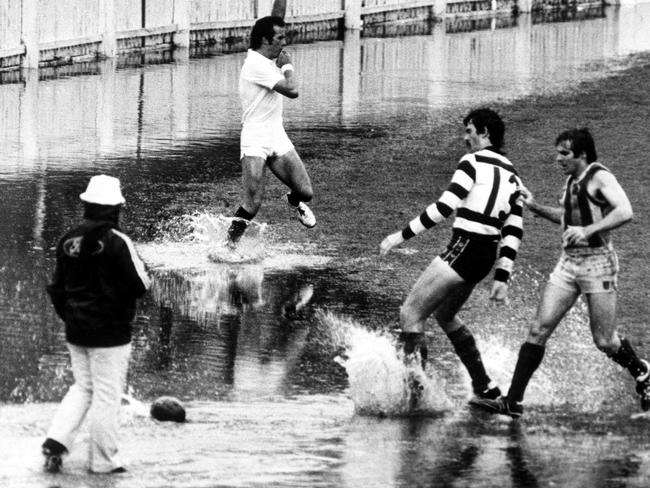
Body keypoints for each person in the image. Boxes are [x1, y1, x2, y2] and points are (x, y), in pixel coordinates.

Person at [471, 128, 650, 418]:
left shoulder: (600, 176)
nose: (558, 159)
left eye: (564, 153)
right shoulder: (570, 182)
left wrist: (588, 230)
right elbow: (567, 218)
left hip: (598, 264)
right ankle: (512, 402)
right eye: (558, 153)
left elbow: (625, 211)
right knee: (538, 329)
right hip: (568, 264)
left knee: (604, 340)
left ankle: (642, 371)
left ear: (582, 154)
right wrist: (534, 206)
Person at [380, 108, 524, 402]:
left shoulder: (472, 162)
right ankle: (484, 387)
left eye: (469, 131)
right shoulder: (513, 175)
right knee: (446, 315)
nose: (465, 138)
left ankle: (415, 397)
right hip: (484, 256)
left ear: (485, 133)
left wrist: (400, 236)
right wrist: (502, 277)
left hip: (464, 247)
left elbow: (445, 207)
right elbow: (513, 231)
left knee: (410, 313)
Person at [41, 174, 151, 473]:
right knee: (107, 395)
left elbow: (57, 289)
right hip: (111, 332)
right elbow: (140, 285)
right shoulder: (118, 242)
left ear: (87, 205)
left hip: (76, 328)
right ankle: (104, 462)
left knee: (83, 386)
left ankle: (56, 442)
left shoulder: (67, 241)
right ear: (116, 208)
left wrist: (72, 317)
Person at [226, 0, 316, 248]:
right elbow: (293, 90)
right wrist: (287, 65)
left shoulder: (266, 52)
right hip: (255, 139)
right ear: (267, 41)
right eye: (280, 38)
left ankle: (294, 201)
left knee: (305, 192)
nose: (284, 42)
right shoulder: (255, 64)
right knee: (252, 203)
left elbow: (276, 18)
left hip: (276, 135)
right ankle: (228, 246)